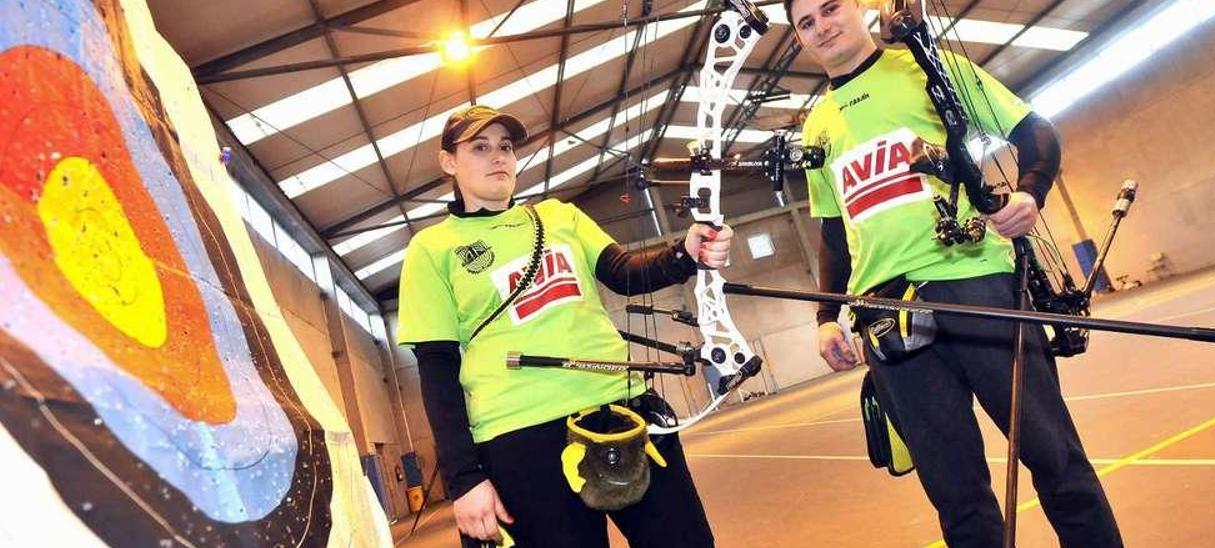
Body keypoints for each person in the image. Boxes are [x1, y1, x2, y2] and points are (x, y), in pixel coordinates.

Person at [784, 1, 1123, 546]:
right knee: (957, 496)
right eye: (806, 22)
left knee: (1055, 457)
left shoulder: (926, 68)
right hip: (887, 316)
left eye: (830, 8)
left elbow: (1035, 131)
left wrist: (1029, 193)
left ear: (859, 8)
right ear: (799, 39)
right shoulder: (817, 126)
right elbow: (831, 231)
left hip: (978, 285)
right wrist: (828, 315)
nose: (821, 26)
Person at [396, 105, 727, 547]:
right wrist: (464, 479)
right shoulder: (432, 248)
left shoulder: (558, 216)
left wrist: (685, 253)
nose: (498, 157)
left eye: (506, 147)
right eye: (479, 147)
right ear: (448, 162)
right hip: (520, 438)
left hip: (620, 410)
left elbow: (625, 272)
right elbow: (437, 370)